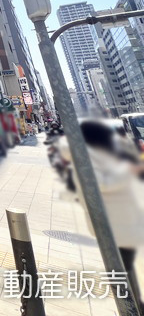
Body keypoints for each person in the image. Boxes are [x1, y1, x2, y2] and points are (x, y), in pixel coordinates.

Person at [60, 119, 144, 310]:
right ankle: (131, 306)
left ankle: (132, 304)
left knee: (127, 265)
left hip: (123, 220)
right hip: (114, 222)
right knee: (124, 266)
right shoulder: (85, 157)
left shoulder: (92, 155)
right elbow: (100, 183)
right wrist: (130, 170)